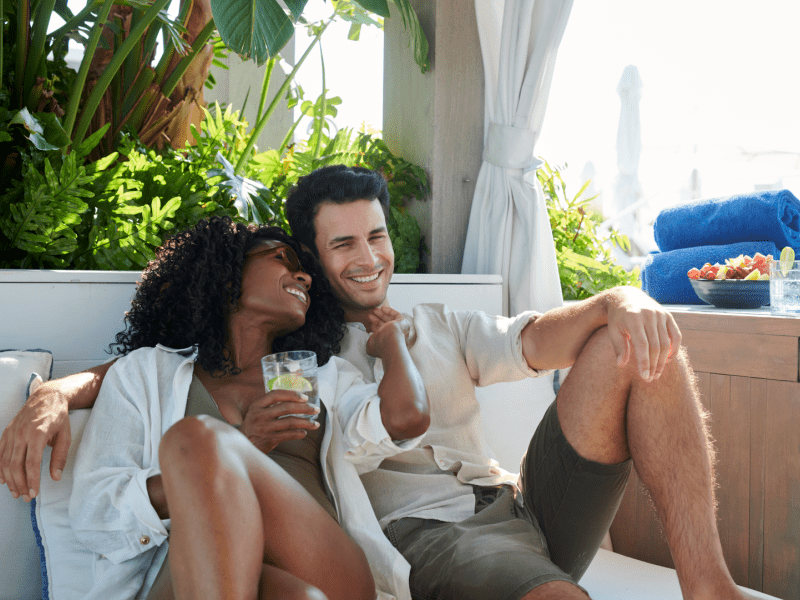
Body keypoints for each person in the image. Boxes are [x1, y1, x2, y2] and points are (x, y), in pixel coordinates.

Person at [1, 166, 754, 600]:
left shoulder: (403, 335)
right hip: (417, 542)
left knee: (638, 339)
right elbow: (151, 379)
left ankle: (710, 587)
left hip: (516, 505)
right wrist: (55, 391)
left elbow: (523, 348)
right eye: (336, 246)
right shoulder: (300, 355)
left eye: (378, 237)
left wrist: (623, 300)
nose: (366, 258)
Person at [54, 216, 429, 599]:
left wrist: (392, 343)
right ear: (228, 270)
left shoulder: (323, 378)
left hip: (324, 565)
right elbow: (95, 513)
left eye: (307, 274)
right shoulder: (146, 373)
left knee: (198, 437)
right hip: (193, 578)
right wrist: (240, 445)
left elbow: (406, 418)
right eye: (285, 259)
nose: (305, 279)